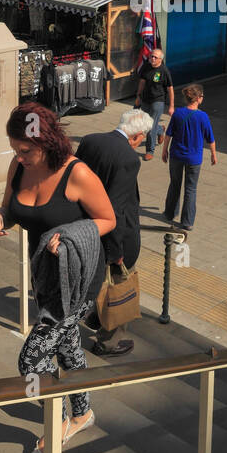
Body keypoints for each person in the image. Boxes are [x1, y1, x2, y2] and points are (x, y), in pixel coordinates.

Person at [0, 103, 116, 453]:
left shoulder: (78, 174)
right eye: (14, 150)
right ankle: (82, 413)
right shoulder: (18, 168)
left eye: (25, 150)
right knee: (68, 346)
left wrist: (70, 235)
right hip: (43, 275)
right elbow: (9, 209)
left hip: (79, 283)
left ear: (47, 141)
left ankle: (56, 421)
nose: (19, 156)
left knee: (31, 361)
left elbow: (108, 219)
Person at [75, 108, 151, 356]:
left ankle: (93, 315)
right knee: (117, 286)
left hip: (87, 227)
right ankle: (108, 342)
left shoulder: (90, 140)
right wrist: (116, 250)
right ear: (137, 136)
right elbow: (116, 209)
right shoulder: (129, 159)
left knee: (94, 278)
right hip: (115, 236)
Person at [161, 83, 217, 231]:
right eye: (202, 96)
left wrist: (164, 150)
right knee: (190, 189)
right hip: (194, 159)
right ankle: (187, 222)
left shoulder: (178, 114)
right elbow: (210, 138)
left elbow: (168, 134)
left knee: (175, 184)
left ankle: (170, 213)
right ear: (198, 98)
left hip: (176, 155)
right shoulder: (203, 116)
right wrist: (213, 154)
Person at [133, 48, 174, 161]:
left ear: (160, 59)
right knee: (145, 123)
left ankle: (149, 151)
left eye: (155, 57)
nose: (152, 58)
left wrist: (171, 106)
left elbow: (170, 89)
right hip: (145, 99)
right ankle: (160, 130)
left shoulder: (164, 71)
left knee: (150, 126)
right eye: (151, 56)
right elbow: (142, 82)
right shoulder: (147, 66)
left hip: (158, 101)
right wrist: (138, 96)